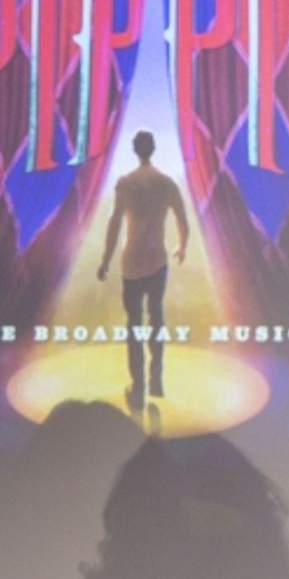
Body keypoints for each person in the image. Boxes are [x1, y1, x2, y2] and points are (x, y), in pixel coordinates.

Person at [96, 129, 188, 412]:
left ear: (136, 150)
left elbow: (114, 224)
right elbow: (183, 220)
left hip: (132, 262)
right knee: (156, 316)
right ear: (154, 148)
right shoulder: (167, 183)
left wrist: (106, 259)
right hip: (157, 260)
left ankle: (138, 390)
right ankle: (156, 378)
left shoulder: (126, 183)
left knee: (134, 325)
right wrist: (182, 246)